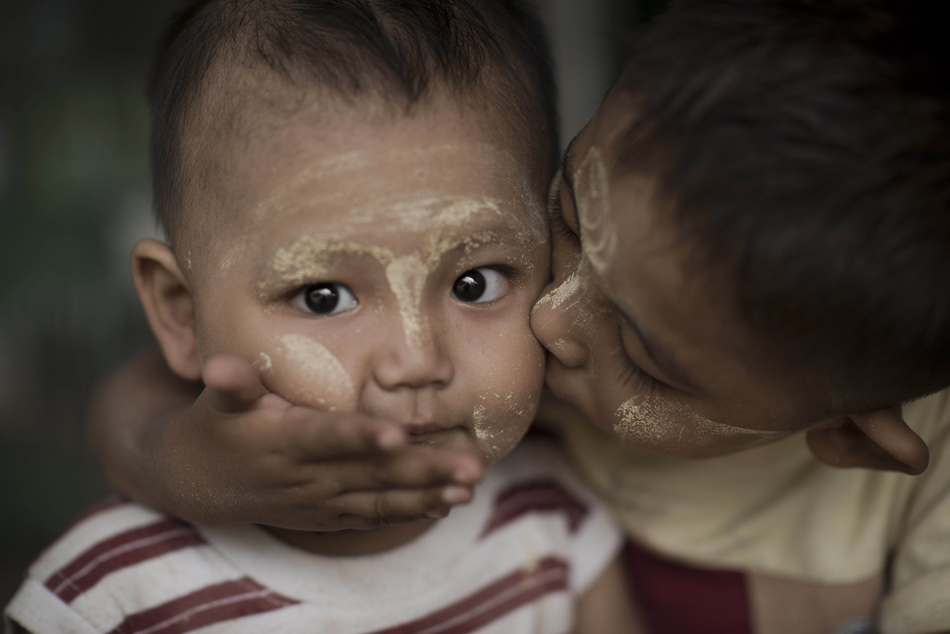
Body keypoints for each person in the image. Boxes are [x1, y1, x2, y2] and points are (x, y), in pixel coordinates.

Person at [79, 0, 950, 632]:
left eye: (474, 283)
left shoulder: (546, 515)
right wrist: (190, 469)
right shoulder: (485, 402)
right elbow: (148, 396)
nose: (555, 319)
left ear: (845, 433)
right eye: (568, 226)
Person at [3, 1, 643, 633]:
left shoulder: (557, 517)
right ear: (181, 316)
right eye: (323, 296)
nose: (415, 362)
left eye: (475, 284)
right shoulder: (106, 596)